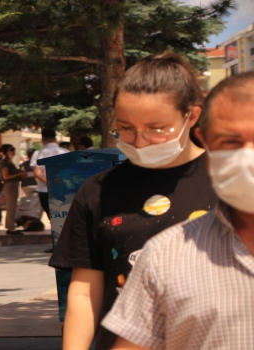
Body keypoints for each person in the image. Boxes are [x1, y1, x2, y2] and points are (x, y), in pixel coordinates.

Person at [47, 52, 218, 350]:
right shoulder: (97, 191)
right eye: (126, 128)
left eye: (156, 129)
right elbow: (84, 292)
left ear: (191, 116)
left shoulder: (231, 184)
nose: (139, 141)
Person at [102, 71, 254, 350]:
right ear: (208, 147)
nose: (247, 155)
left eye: (156, 128)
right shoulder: (166, 255)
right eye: (230, 142)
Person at [30, 129, 70, 234]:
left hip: (45, 190)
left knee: (53, 219)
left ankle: (56, 244)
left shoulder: (38, 153)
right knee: (65, 218)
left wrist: (51, 183)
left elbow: (37, 173)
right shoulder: (65, 152)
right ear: (56, 140)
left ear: (42, 140)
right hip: (64, 190)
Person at [0, 144, 27, 234]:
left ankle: (11, 226)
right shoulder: (5, 162)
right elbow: (5, 176)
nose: (14, 151)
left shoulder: (9, 161)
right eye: (12, 149)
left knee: (13, 206)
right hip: (9, 186)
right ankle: (11, 228)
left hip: (14, 185)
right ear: (6, 151)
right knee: (11, 207)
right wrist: (19, 174)